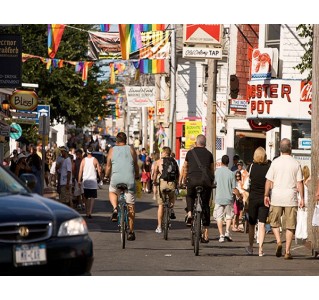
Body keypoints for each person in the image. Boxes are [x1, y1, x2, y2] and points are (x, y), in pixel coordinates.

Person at [264, 138, 304, 260]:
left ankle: (278, 241)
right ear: (290, 148)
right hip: (290, 197)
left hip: (276, 196)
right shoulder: (296, 163)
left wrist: (266, 195)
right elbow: (300, 183)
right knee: (290, 225)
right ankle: (287, 251)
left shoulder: (275, 163)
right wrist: (302, 198)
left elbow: (268, 180)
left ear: (280, 149)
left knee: (274, 222)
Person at [105, 132, 140, 241]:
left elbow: (108, 166)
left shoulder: (112, 150)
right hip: (129, 180)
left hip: (116, 179)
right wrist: (137, 176)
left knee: (112, 191)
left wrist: (106, 176)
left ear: (116, 141)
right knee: (131, 205)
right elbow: (135, 165)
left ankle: (115, 208)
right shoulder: (131, 149)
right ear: (125, 140)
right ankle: (131, 231)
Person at [179, 134, 214, 243]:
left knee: (189, 195)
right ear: (205, 143)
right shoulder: (209, 154)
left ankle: (189, 213)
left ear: (196, 143)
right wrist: (211, 181)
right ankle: (206, 233)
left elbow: (185, 167)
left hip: (192, 180)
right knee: (206, 205)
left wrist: (183, 180)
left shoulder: (190, 153)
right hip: (205, 182)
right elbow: (212, 170)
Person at [244, 147, 271, 257]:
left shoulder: (251, 167)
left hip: (253, 198)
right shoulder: (268, 167)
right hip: (264, 198)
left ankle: (250, 247)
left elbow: (246, 181)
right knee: (262, 224)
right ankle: (260, 249)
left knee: (251, 224)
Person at [214, 155, 241, 243]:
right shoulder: (231, 173)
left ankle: (221, 235)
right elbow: (234, 188)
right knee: (229, 216)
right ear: (228, 162)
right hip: (229, 198)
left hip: (219, 197)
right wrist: (239, 196)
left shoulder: (217, 172)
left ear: (221, 162)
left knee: (219, 217)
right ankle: (227, 232)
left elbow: (214, 183)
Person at [152, 146, 179, 234]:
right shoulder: (174, 161)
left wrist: (154, 182)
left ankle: (159, 226)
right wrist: (177, 184)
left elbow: (155, 173)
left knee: (161, 205)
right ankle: (171, 208)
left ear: (163, 153)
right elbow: (177, 174)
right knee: (172, 197)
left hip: (162, 184)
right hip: (172, 184)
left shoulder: (159, 162)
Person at [78, 146, 102, 218]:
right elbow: (99, 170)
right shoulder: (95, 160)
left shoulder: (83, 160)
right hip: (93, 181)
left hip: (85, 181)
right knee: (92, 198)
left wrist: (79, 180)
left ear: (86, 152)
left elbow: (80, 171)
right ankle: (90, 212)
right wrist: (100, 178)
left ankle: (86, 212)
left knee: (86, 197)